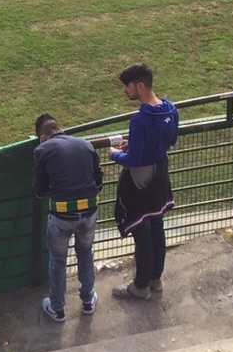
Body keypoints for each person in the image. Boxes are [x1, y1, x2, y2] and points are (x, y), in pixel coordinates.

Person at [109, 63, 179, 300]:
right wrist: (139, 144)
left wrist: (114, 154)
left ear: (139, 86)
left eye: (126, 86)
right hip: (160, 174)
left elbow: (135, 159)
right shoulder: (170, 109)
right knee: (157, 226)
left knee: (142, 231)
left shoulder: (139, 119)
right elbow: (171, 140)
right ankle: (155, 279)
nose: (124, 91)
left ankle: (140, 286)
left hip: (139, 181)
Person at [33, 114, 103, 322]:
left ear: (43, 136)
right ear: (60, 129)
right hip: (89, 212)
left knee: (57, 260)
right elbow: (98, 180)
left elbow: (39, 190)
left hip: (61, 216)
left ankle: (57, 308)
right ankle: (88, 301)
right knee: (86, 253)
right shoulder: (86, 144)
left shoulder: (42, 150)